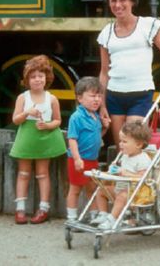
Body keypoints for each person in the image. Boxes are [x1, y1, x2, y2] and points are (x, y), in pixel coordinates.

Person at [97, 0, 160, 146]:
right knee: (121, 147)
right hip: (115, 96)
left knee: (133, 143)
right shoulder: (106, 33)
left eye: (122, 0)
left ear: (132, 1)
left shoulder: (147, 25)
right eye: (113, 1)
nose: (118, 5)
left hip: (140, 95)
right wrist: (102, 105)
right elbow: (103, 72)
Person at [9, 55, 67, 225]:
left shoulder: (52, 98)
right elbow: (15, 120)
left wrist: (48, 126)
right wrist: (27, 113)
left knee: (43, 173)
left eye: (40, 76)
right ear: (27, 80)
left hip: (44, 138)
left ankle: (44, 208)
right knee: (24, 173)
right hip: (27, 138)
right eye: (33, 77)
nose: (37, 80)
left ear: (46, 78)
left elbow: (58, 120)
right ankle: (20, 208)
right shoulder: (23, 98)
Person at [65, 76, 111, 223]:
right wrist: (77, 158)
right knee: (75, 189)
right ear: (80, 98)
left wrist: (105, 128)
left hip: (92, 160)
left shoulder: (95, 116)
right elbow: (72, 139)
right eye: (92, 96)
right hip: (78, 159)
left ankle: (93, 215)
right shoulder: (76, 117)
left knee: (92, 189)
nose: (96, 99)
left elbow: (96, 136)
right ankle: (71, 218)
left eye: (99, 96)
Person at [96, 120, 154, 230]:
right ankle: (103, 215)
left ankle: (112, 220)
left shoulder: (142, 159)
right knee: (101, 190)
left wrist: (125, 173)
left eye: (124, 142)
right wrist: (112, 171)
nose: (120, 144)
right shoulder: (125, 156)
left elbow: (144, 177)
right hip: (121, 189)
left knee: (121, 196)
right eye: (120, 141)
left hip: (136, 194)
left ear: (138, 144)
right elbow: (120, 170)